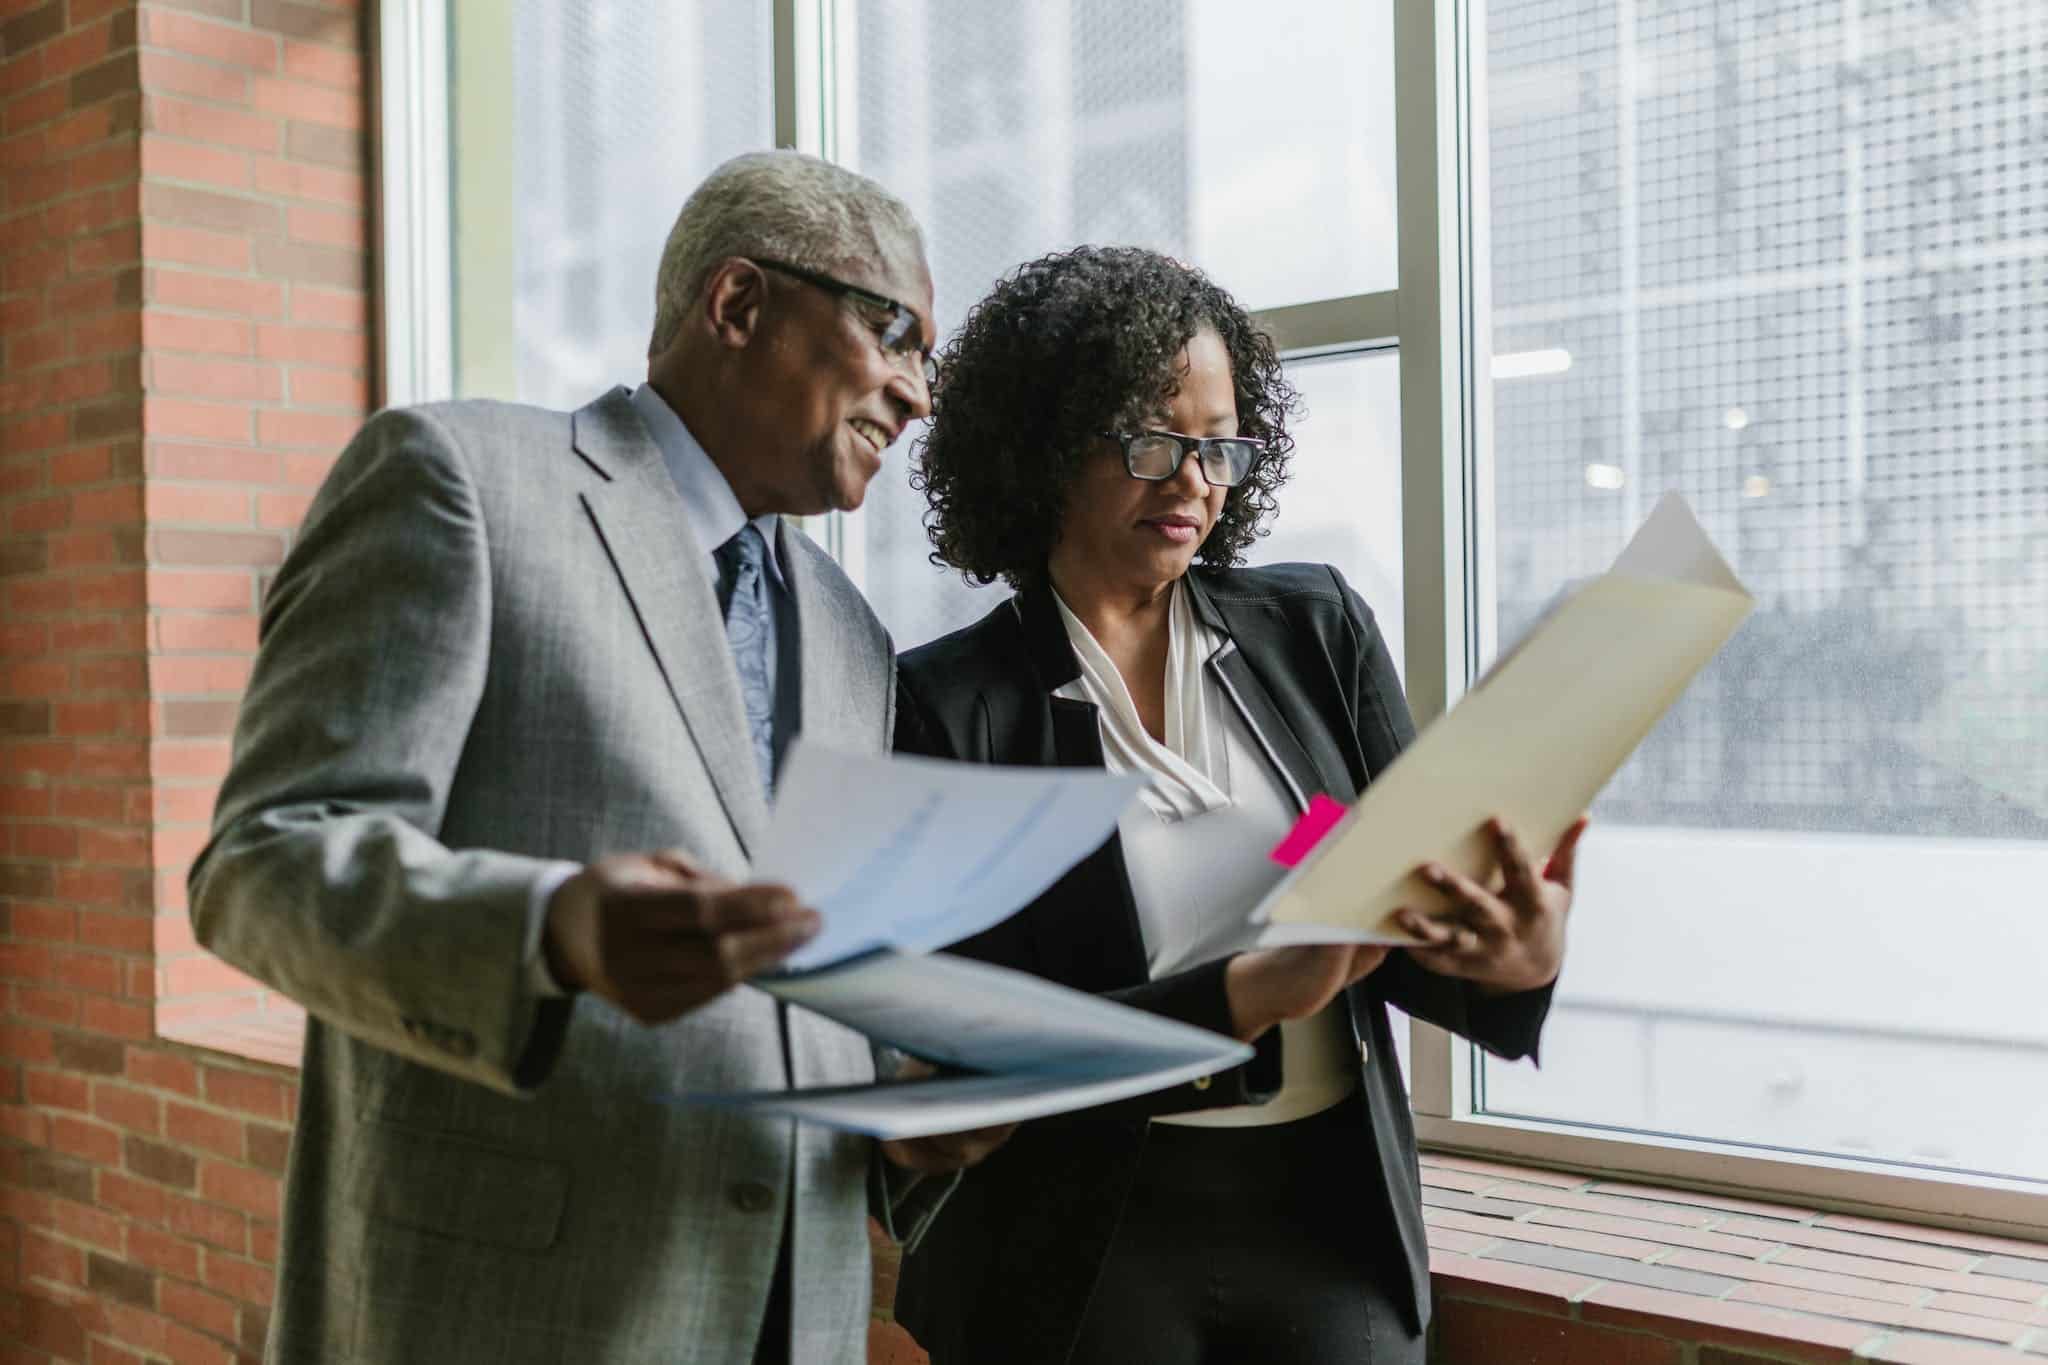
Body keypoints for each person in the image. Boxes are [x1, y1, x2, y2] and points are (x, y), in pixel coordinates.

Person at [188, 151, 1006, 1365]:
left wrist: (904, 1095)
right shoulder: (457, 480)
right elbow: (261, 868)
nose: (918, 393)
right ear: (738, 305)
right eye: (896, 334)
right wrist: (551, 931)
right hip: (501, 1317)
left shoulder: (850, 635)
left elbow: (797, 972)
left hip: (794, 1319)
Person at [891, 245, 1586, 1365]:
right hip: (1076, 1239)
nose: (1191, 483)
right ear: (1042, 443)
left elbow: (1386, 917)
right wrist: (1240, 995)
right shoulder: (944, 707)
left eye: (1217, 446)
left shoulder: (1310, 631)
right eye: (1152, 440)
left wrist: (1508, 962)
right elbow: (981, 1051)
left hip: (1325, 1217)